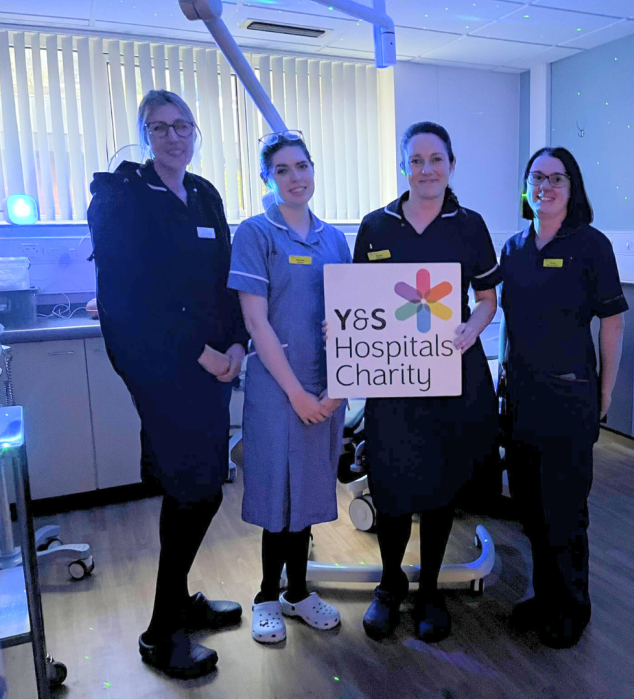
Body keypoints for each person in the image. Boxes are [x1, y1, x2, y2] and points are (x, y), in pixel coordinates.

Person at [87, 90, 246, 678]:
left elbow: (227, 278)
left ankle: (177, 603)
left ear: (195, 131)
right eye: (160, 128)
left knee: (199, 488)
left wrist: (236, 343)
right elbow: (131, 302)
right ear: (144, 134)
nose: (173, 137)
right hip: (163, 369)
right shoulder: (124, 197)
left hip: (213, 366)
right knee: (193, 492)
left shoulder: (204, 194)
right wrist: (201, 352)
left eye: (182, 126)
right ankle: (161, 632)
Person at [351, 122, 501, 642]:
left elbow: (486, 301)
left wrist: (470, 331)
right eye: (415, 160)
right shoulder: (376, 226)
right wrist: (341, 323)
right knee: (391, 484)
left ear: (451, 164)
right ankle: (390, 586)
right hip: (392, 381)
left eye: (436, 159)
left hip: (447, 372)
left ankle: (431, 588)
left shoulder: (470, 225)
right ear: (403, 167)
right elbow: (358, 301)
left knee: (439, 485)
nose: (426, 169)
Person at [500, 147, 627, 648]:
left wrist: (605, 394)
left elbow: (613, 323)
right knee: (530, 508)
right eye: (537, 177)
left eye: (556, 178)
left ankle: (572, 607)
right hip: (523, 400)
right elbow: (508, 320)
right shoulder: (513, 247)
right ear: (526, 186)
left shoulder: (591, 245)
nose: (545, 186)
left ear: (572, 189)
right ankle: (545, 595)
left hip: (570, 399)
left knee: (566, 512)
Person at [228, 131, 351, 644]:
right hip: (280, 391)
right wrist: (298, 394)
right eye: (282, 169)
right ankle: (265, 596)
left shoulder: (334, 238)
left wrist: (340, 387)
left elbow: (353, 317)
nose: (296, 177)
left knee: (308, 492)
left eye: (302, 165)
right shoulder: (256, 234)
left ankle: (298, 593)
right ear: (267, 178)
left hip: (327, 389)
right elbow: (256, 323)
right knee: (277, 493)